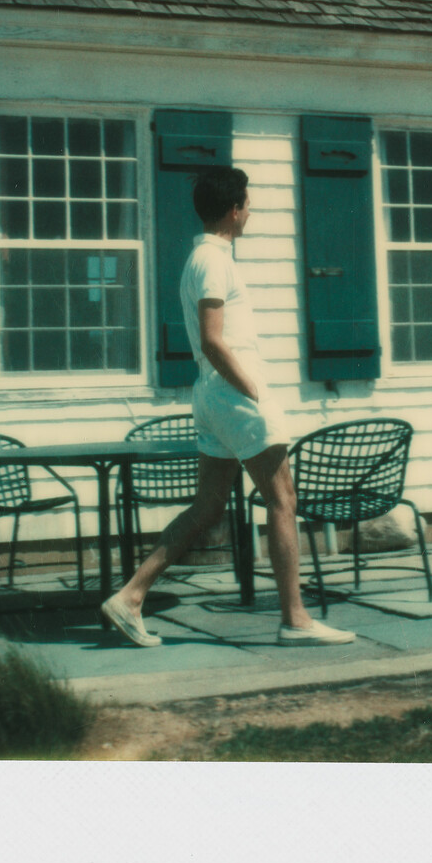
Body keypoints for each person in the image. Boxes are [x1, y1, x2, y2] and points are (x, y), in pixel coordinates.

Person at [101, 165, 355, 648]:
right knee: (283, 501)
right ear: (234, 210)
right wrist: (253, 391)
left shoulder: (203, 259)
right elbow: (215, 341)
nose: (251, 213)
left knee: (208, 506)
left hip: (210, 395)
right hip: (233, 394)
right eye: (249, 205)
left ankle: (130, 597)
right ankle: (295, 620)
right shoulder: (214, 261)